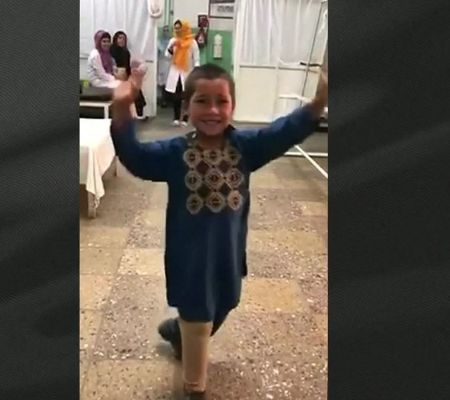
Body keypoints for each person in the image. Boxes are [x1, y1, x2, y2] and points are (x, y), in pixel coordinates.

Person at [110, 64, 328, 399]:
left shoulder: (245, 148)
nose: (212, 110)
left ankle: (178, 333)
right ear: (186, 107)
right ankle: (194, 384)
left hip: (228, 256)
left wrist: (318, 102)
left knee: (224, 303)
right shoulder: (175, 154)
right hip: (190, 261)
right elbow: (135, 157)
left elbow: (282, 132)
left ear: (233, 107)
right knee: (198, 318)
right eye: (202, 101)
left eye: (221, 101)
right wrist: (122, 108)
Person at [165, 20, 200, 126]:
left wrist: (196, 71)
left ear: (184, 28)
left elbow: (196, 58)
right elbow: (167, 56)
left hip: (187, 72)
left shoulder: (192, 42)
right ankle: (176, 117)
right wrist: (171, 47)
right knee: (176, 96)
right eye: (175, 28)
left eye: (179, 28)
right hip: (175, 71)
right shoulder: (173, 41)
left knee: (187, 96)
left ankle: (185, 118)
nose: (177, 30)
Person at [110, 31, 147, 117]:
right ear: (115, 39)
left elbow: (127, 67)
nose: (122, 40)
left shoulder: (126, 52)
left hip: (125, 76)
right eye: (120, 38)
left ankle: (138, 115)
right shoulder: (111, 51)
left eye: (124, 39)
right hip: (115, 77)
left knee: (137, 92)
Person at [157, 25, 171, 108]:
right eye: (164, 30)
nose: (166, 32)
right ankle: (163, 100)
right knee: (162, 82)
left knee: (170, 81)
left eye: (167, 30)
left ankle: (169, 100)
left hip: (170, 63)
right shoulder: (159, 41)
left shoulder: (172, 41)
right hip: (162, 62)